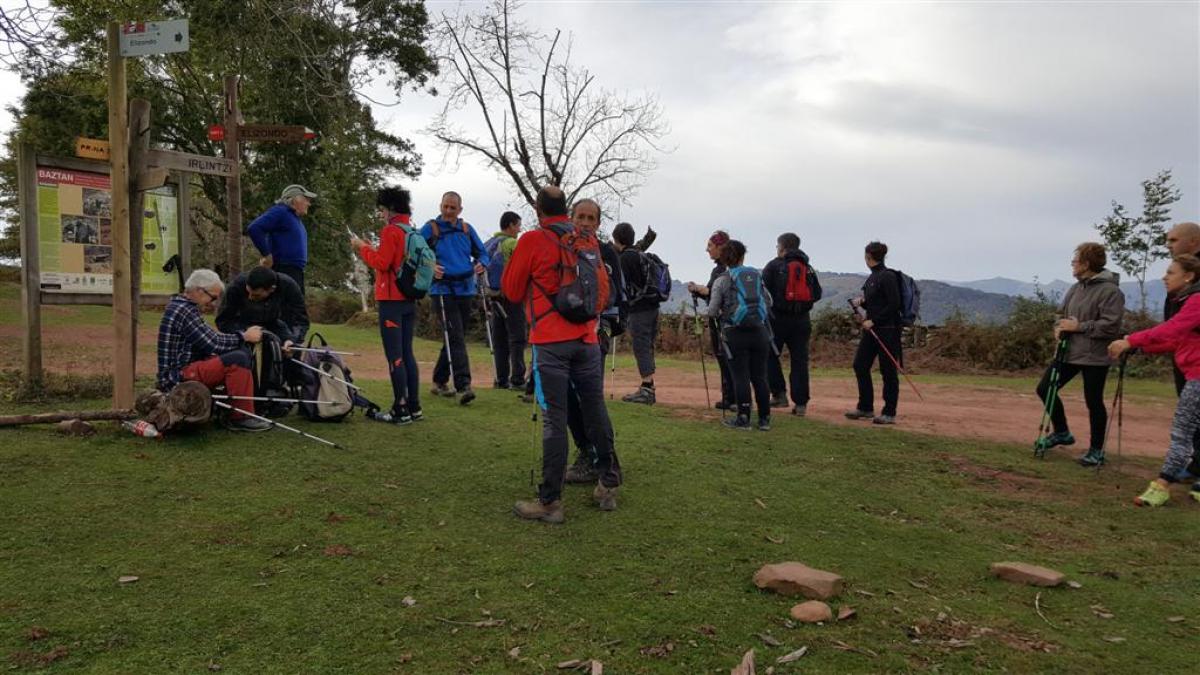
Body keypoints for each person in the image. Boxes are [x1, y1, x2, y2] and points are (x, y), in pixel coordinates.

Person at [503, 185, 621, 523]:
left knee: (555, 418)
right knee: (595, 411)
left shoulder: (532, 240)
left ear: (539, 209)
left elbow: (511, 291)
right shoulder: (587, 241)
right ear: (567, 210)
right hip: (587, 340)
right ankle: (608, 484)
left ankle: (550, 501)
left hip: (550, 342)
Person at [1109, 254, 1200, 506]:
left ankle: (1162, 485)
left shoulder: (1196, 300)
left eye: (1171, 272)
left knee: (1182, 432)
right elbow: (1177, 340)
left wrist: (1131, 340)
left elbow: (1172, 329)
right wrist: (1140, 348)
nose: (1164, 277)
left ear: (1189, 276)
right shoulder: (1188, 300)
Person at [1034, 242, 1125, 466]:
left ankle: (1096, 450)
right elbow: (1061, 314)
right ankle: (1062, 432)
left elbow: (1111, 326)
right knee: (1045, 388)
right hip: (1068, 352)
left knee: (1093, 401)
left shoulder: (1111, 291)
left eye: (1075, 261)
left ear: (1086, 264)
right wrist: (1059, 327)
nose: (1072, 265)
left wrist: (1079, 327)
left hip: (1095, 356)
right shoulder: (1076, 288)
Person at [156, 269, 270, 431]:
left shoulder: (183, 307)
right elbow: (213, 343)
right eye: (213, 297)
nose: (214, 303)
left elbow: (208, 338)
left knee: (239, 355)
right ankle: (240, 417)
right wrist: (244, 336)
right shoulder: (183, 310)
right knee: (238, 359)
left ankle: (238, 408)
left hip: (185, 368)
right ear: (198, 290)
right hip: (177, 376)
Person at [564, 198, 625, 484]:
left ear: (599, 223)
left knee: (590, 399)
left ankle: (605, 461)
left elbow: (616, 296)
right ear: (571, 217)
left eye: (591, 218)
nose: (586, 223)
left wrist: (607, 329)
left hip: (593, 338)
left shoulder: (607, 254)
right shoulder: (563, 248)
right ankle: (586, 451)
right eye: (581, 217)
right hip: (561, 339)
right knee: (566, 397)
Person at [350, 186, 423, 424]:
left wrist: (363, 248)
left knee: (395, 357)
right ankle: (414, 406)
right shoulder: (411, 230)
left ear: (390, 209)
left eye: (382, 209)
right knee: (407, 354)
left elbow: (382, 263)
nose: (380, 213)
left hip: (391, 300)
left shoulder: (391, 231)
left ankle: (399, 409)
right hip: (409, 299)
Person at [420, 191, 489, 405]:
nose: (448, 211)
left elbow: (483, 252)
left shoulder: (467, 229)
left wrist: (481, 263)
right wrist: (430, 266)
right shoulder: (430, 228)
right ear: (440, 206)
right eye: (445, 206)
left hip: (466, 290)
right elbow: (413, 252)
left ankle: (439, 381)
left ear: (460, 209)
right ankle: (463, 386)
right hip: (442, 291)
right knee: (456, 336)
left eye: (453, 208)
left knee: (453, 337)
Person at [708, 240, 773, 430]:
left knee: (740, 376)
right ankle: (764, 418)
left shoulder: (722, 280)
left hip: (734, 332)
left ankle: (743, 417)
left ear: (725, 258)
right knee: (760, 376)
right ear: (743, 256)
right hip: (760, 332)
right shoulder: (755, 276)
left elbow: (712, 310)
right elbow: (769, 301)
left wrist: (722, 314)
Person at [845, 241, 903, 425]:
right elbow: (876, 302)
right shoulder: (873, 278)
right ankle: (865, 407)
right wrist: (861, 304)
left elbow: (894, 304)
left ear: (868, 256)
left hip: (887, 331)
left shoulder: (887, 277)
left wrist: (874, 320)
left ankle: (889, 412)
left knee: (888, 371)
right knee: (860, 365)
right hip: (872, 331)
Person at [761, 232, 818, 417]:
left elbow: (763, 293)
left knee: (769, 355)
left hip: (777, 319)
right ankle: (801, 404)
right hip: (802, 321)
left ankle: (779, 394)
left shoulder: (773, 266)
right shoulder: (807, 267)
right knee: (800, 361)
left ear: (782, 247)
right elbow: (816, 293)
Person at [1163, 221, 1200, 480]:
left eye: (1174, 240)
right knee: (1190, 415)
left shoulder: (1193, 275)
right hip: (1183, 354)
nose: (1169, 245)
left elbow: (1182, 324)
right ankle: (1195, 464)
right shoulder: (1181, 272)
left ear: (1194, 242)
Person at [612, 221, 662, 405]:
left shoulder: (624, 258)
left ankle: (647, 389)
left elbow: (621, 286)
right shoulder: (640, 254)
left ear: (616, 238)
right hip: (653, 307)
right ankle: (648, 385)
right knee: (647, 346)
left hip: (639, 309)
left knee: (641, 347)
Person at [687, 231, 734, 410]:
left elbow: (713, 292)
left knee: (725, 357)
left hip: (721, 321)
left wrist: (698, 288)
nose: (707, 250)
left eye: (710, 246)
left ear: (720, 247)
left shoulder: (720, 270)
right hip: (733, 320)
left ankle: (731, 398)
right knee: (730, 359)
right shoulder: (731, 267)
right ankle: (733, 397)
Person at [483, 211, 527, 390]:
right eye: (517, 225)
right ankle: (517, 378)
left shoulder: (490, 243)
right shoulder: (511, 243)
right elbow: (522, 268)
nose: (519, 229)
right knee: (517, 337)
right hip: (511, 295)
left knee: (499, 338)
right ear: (510, 225)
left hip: (493, 296)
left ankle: (501, 379)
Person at [216, 266, 309, 349]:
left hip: (274, 324)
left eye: (256, 295)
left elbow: (301, 320)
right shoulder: (236, 286)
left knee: (292, 349)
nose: (250, 297)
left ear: (272, 289)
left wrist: (293, 340)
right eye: (248, 292)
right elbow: (223, 320)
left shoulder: (288, 286)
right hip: (242, 324)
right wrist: (243, 334)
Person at [247, 184, 318, 295]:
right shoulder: (281, 211)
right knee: (285, 310)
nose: (309, 203)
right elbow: (255, 228)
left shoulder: (295, 219)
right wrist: (267, 255)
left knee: (296, 309)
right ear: (295, 200)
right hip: (283, 271)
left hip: (295, 272)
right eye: (306, 200)